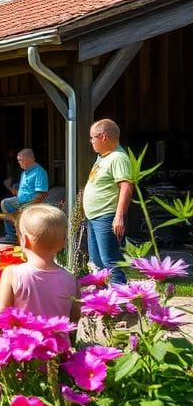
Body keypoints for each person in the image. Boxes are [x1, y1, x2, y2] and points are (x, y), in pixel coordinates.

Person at [0, 205, 80, 326]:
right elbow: (74, 318)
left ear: (25, 240)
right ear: (64, 242)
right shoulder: (71, 279)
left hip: (23, 343)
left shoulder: (13, 273)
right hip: (57, 344)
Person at [84, 118, 133, 285]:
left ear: (103, 137)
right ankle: (105, 300)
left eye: (93, 137)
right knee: (97, 261)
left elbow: (126, 186)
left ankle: (119, 302)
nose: (91, 141)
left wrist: (119, 217)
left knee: (110, 261)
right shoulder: (103, 157)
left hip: (106, 216)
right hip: (94, 217)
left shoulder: (118, 157)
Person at [0, 149, 49, 243]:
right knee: (5, 203)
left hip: (32, 202)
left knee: (22, 211)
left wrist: (27, 206)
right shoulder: (24, 173)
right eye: (18, 160)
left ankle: (23, 236)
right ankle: (11, 235)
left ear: (30, 159)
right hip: (20, 201)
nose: (19, 163)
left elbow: (41, 195)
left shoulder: (39, 172)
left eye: (21, 160)